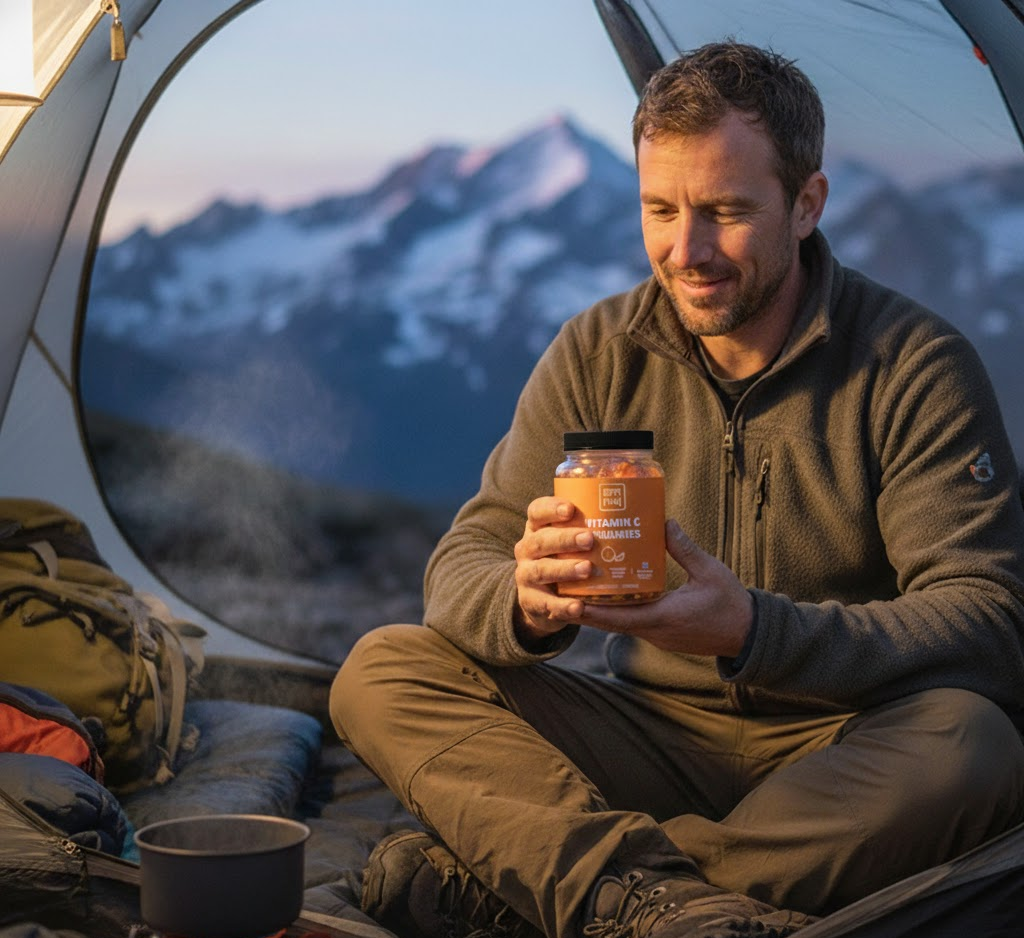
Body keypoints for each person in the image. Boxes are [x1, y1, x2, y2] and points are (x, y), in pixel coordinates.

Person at [330, 41, 1024, 938]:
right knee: (384, 668)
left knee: (974, 745)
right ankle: (652, 902)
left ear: (805, 204)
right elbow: (463, 563)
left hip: (844, 745)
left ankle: (551, 884)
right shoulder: (597, 351)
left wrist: (754, 631)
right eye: (660, 209)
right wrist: (526, 601)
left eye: (726, 211)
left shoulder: (912, 366)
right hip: (647, 732)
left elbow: (987, 620)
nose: (685, 250)